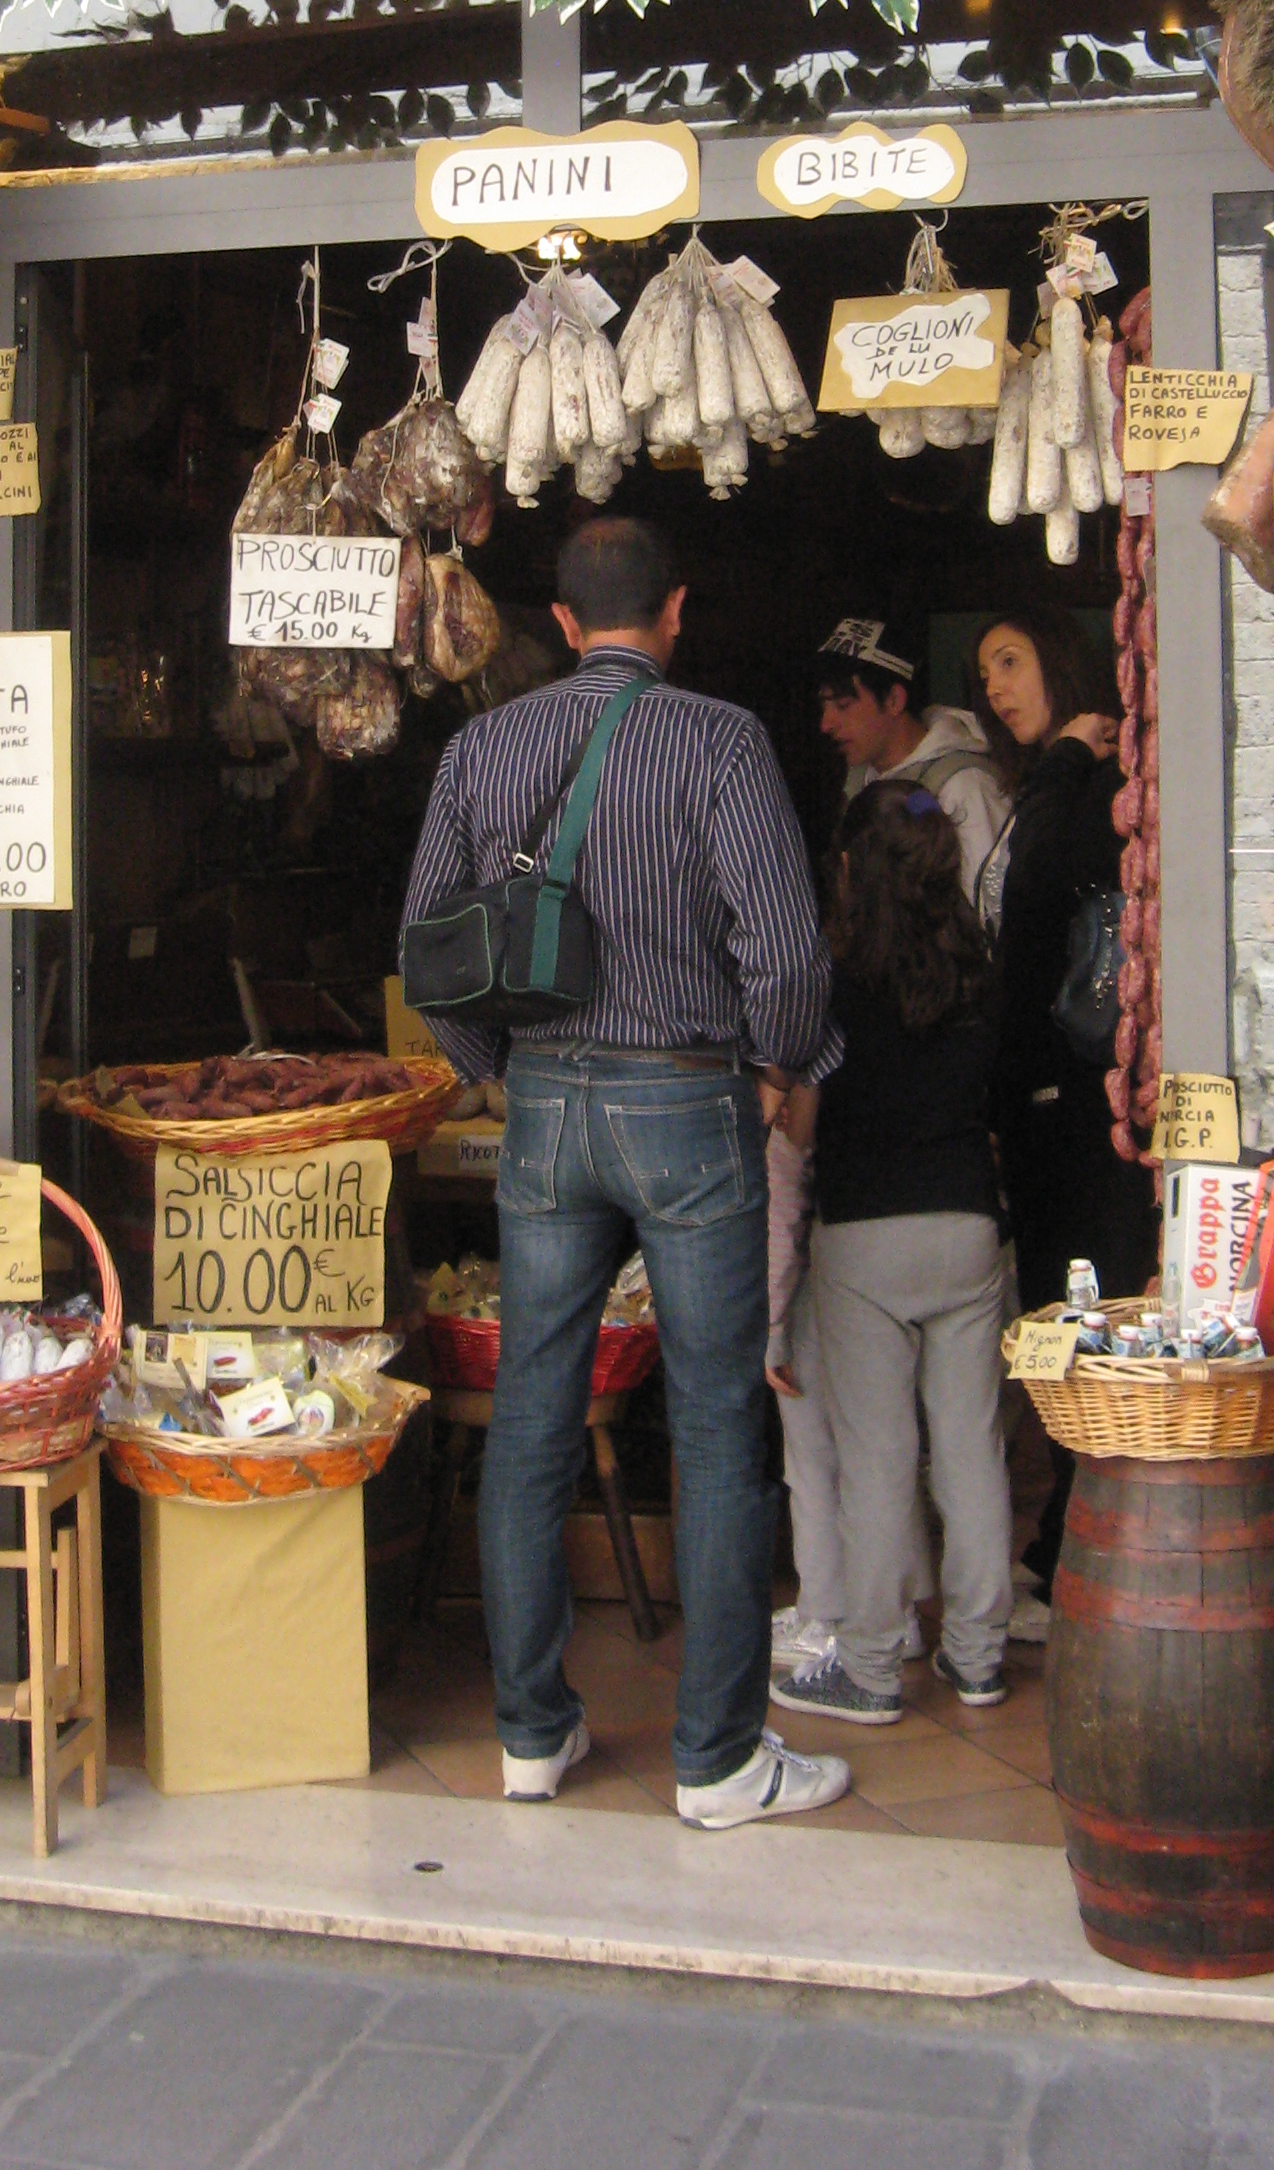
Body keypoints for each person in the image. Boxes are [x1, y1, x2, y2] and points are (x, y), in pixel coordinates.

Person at [402, 516, 852, 1831]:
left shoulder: (486, 746)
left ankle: (530, 1738)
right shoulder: (719, 740)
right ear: (674, 615)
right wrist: (780, 1063)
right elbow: (784, 946)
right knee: (717, 1425)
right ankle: (717, 1761)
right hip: (689, 1100)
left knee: (533, 1417)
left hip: (544, 1104)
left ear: (557, 622)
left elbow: (426, 939)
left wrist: (493, 1065)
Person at [766, 781, 1013, 1722]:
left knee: (877, 1458)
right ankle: (979, 1656)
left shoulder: (833, 987)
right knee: (970, 1450)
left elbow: (802, 1128)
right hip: (965, 1228)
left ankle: (869, 1668)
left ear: (850, 873)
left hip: (864, 1238)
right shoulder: (981, 975)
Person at [972, 610, 1159, 1586]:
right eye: (986, 672)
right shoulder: (1055, 772)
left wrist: (1057, 773)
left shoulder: (1095, 769)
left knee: (1083, 1306)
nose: (998, 688)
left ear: (1063, 652)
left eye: (1011, 660)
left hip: (1086, 1097)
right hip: (1039, 1096)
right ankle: (1069, 1535)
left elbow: (1044, 879)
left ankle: (1083, 1538)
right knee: (1054, 1310)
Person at [815, 616, 1011, 905]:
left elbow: (990, 911)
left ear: (894, 700)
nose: (826, 724)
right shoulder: (858, 781)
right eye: (824, 706)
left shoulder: (964, 784)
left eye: (844, 705)